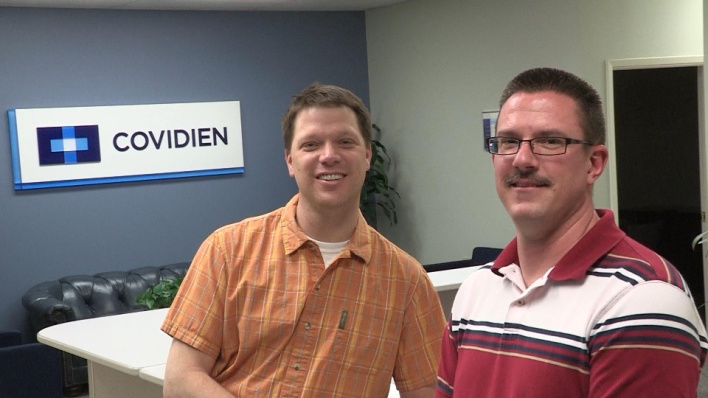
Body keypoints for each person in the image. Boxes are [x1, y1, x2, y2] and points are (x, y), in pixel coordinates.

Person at [161, 82, 446, 397]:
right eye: (311, 144)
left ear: (367, 156)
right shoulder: (227, 251)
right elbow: (180, 379)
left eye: (345, 141)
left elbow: (426, 391)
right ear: (289, 161)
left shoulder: (407, 282)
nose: (329, 156)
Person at [436, 67, 708, 397]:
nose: (522, 159)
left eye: (550, 141)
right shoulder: (475, 292)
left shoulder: (641, 300)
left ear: (594, 163)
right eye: (508, 142)